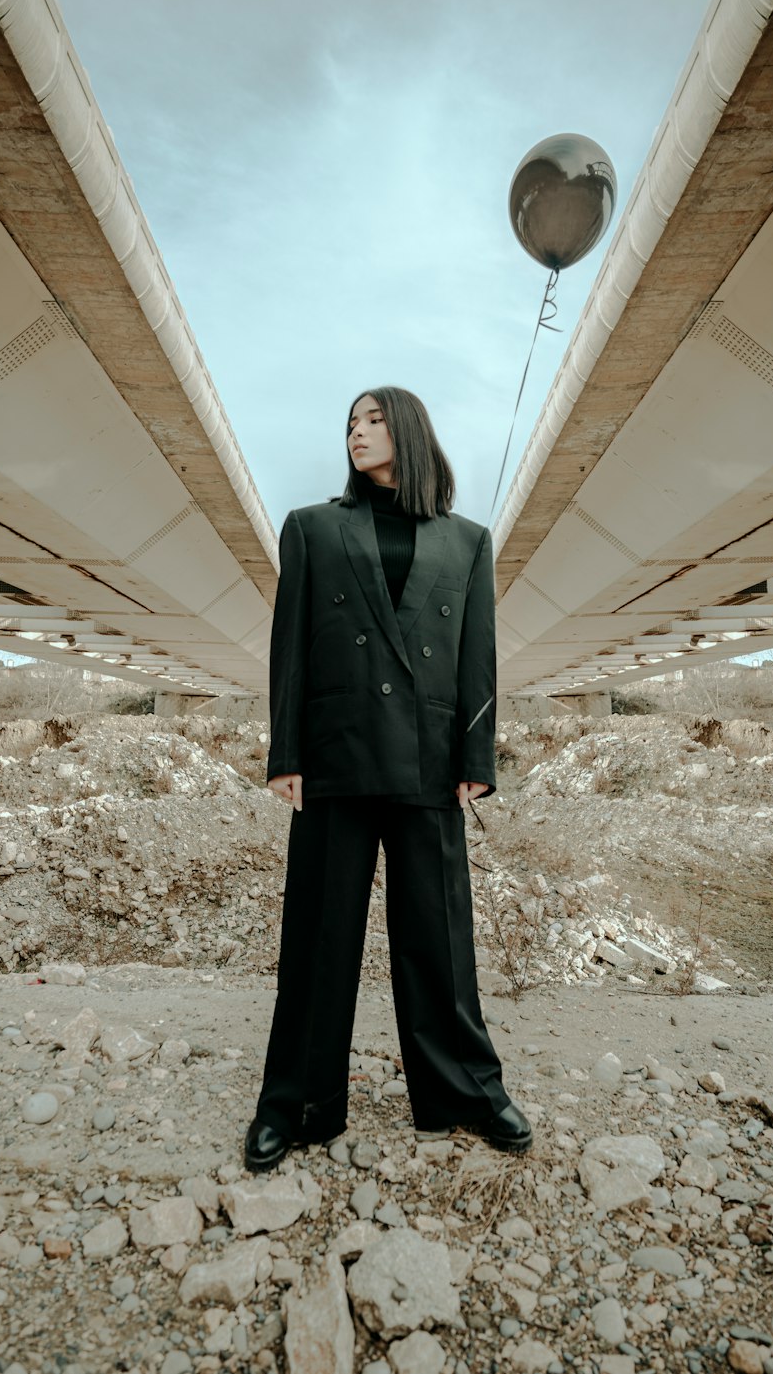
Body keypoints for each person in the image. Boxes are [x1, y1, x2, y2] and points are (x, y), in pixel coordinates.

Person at [244, 386, 531, 1172]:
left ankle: (464, 1093)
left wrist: (477, 761)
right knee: (319, 936)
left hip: (429, 760)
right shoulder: (311, 528)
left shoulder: (468, 541)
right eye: (349, 422)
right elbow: (291, 645)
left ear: (406, 429)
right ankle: (296, 1103)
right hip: (335, 755)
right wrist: (286, 753)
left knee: (440, 937)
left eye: (372, 419)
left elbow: (478, 659)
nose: (356, 432)